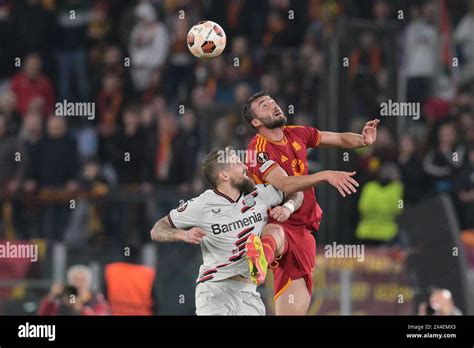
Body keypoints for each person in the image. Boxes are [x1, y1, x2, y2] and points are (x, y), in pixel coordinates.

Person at [242, 91, 378, 315]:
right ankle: (259, 261)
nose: (274, 106)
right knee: (274, 232)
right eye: (264, 106)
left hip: (304, 231)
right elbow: (285, 184)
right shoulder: (257, 150)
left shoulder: (296, 133)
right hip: (276, 220)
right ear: (255, 122)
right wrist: (325, 175)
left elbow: (340, 139)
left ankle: (262, 259)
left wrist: (363, 140)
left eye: (273, 102)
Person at [150, 147, 303, 315]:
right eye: (237, 163)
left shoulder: (259, 194)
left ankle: (260, 264)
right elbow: (157, 229)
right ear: (224, 175)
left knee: (275, 230)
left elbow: (296, 191)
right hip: (215, 290)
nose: (244, 166)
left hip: (249, 292)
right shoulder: (202, 204)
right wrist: (182, 234)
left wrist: (288, 208)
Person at [38, 265, 110, 315]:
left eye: (82, 280)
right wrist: (52, 296)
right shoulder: (62, 299)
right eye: (75, 280)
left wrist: (81, 309)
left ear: (88, 283)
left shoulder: (97, 299)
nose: (78, 283)